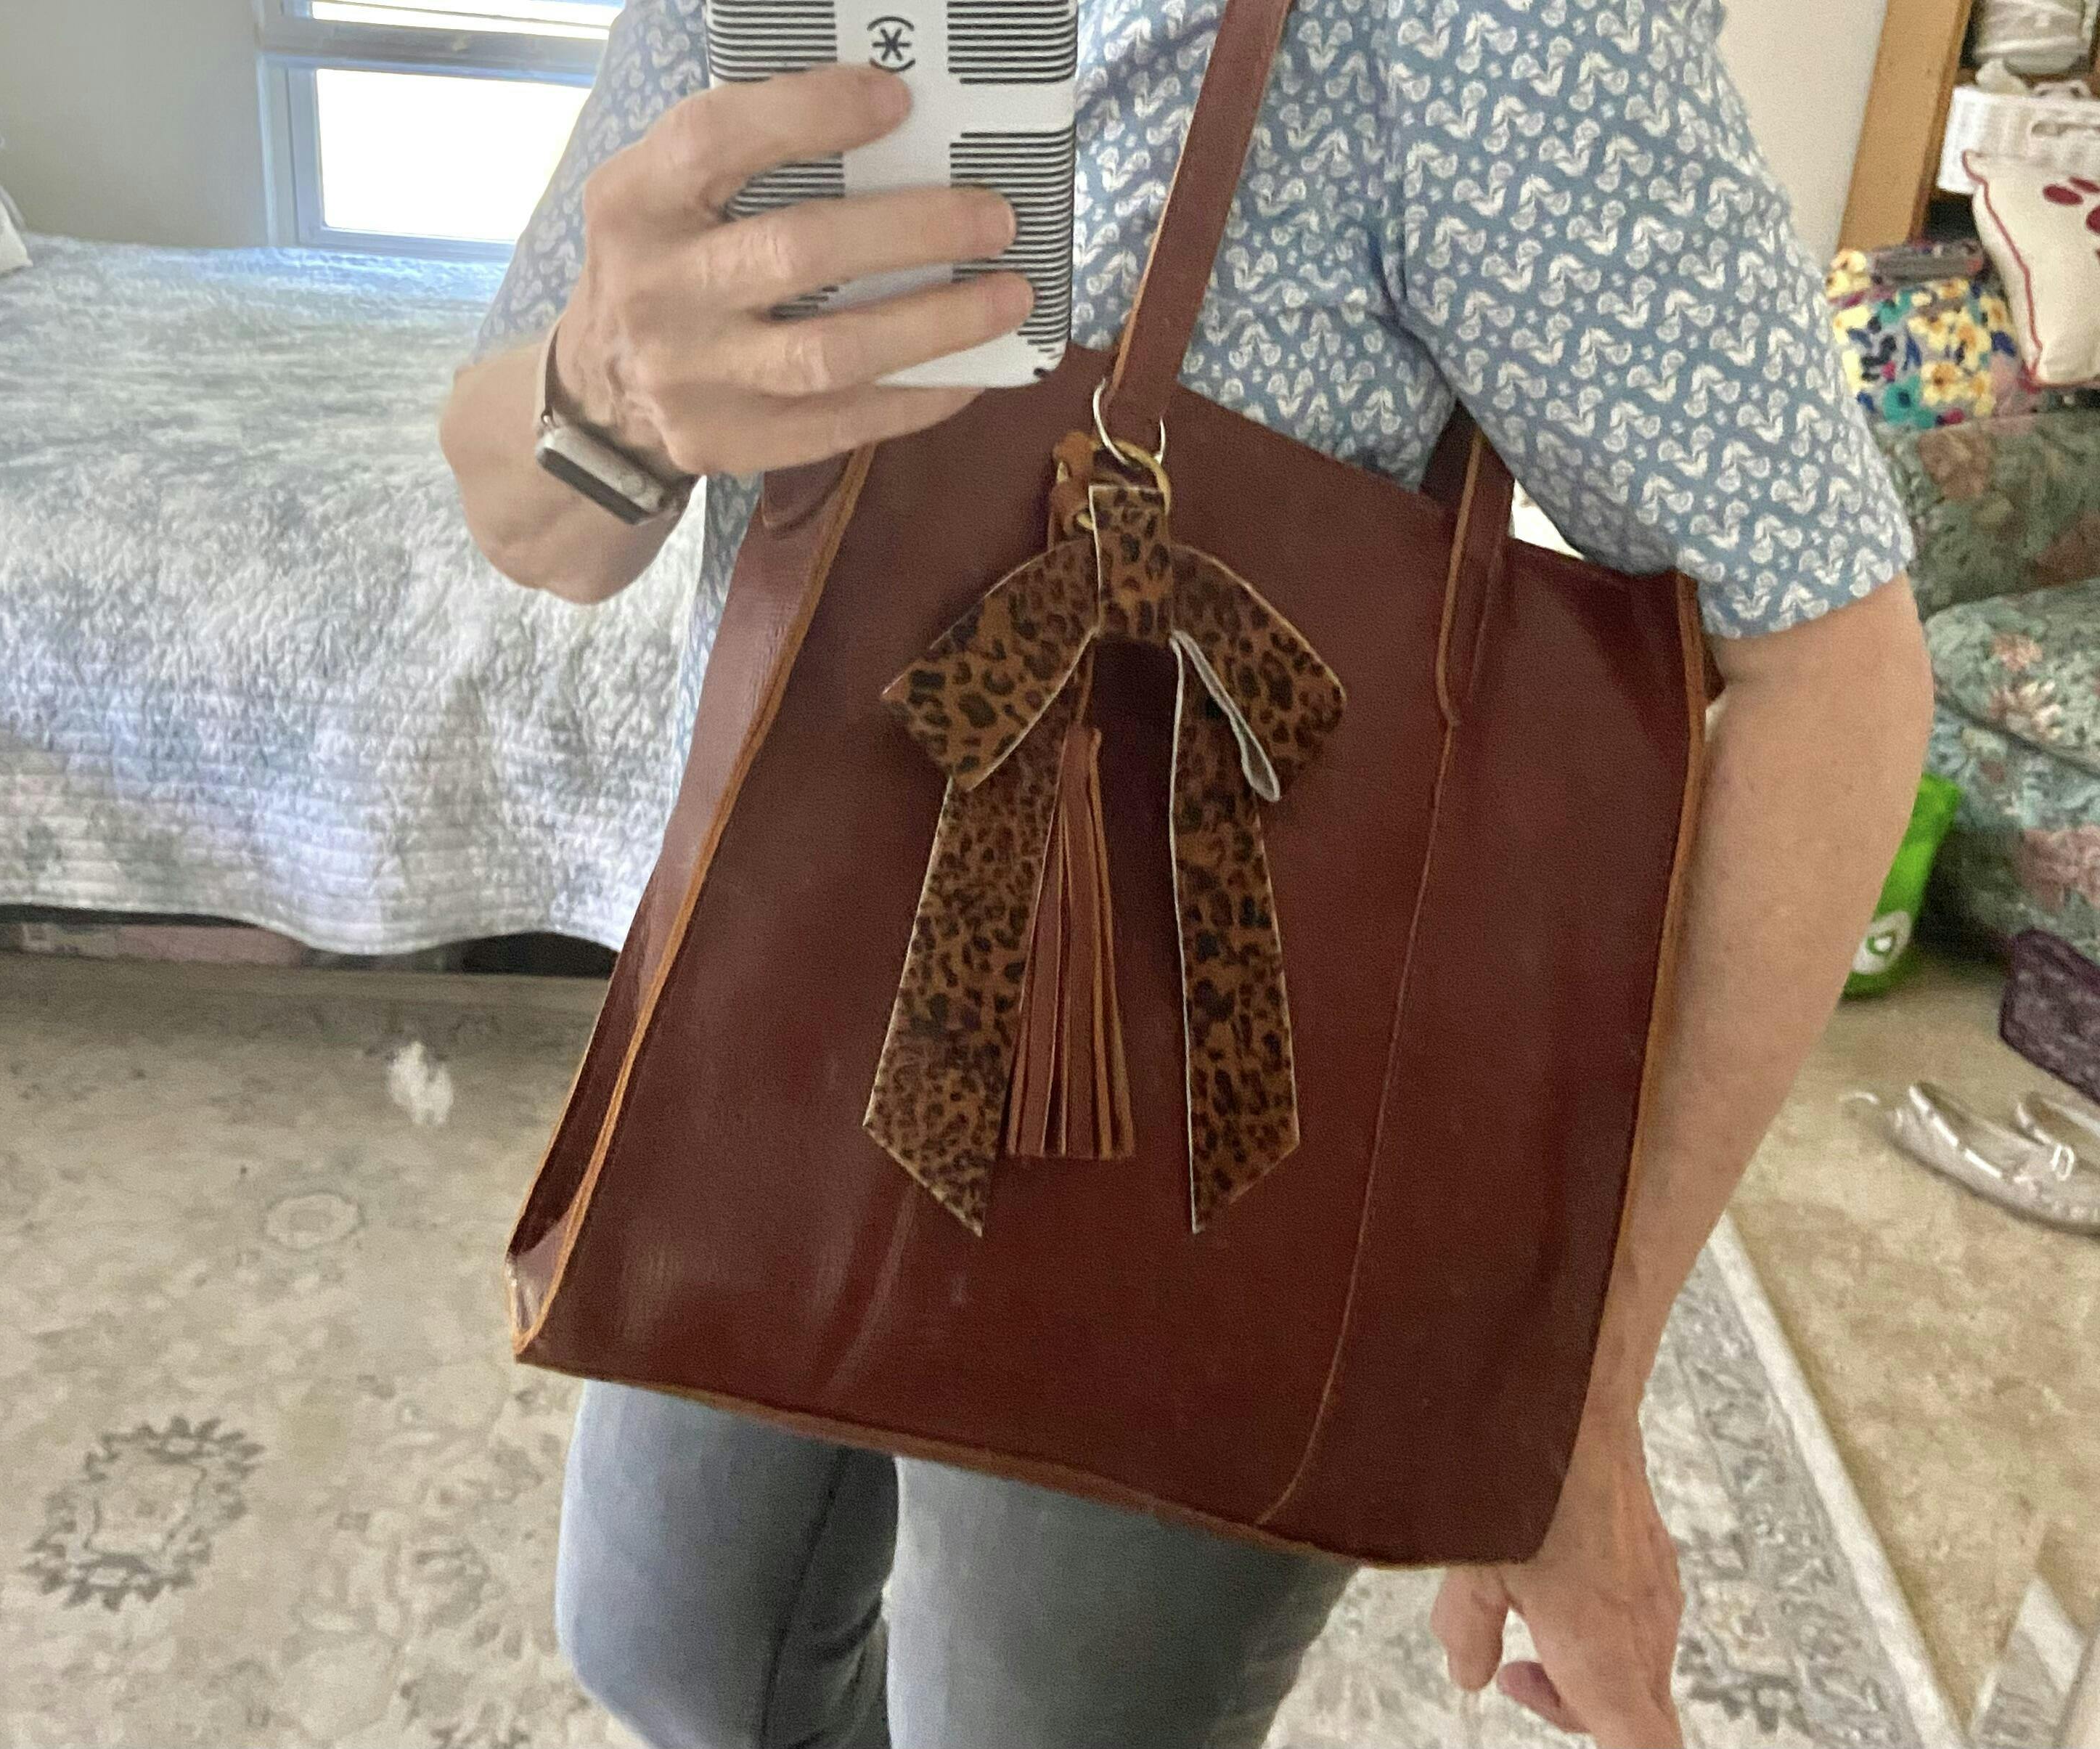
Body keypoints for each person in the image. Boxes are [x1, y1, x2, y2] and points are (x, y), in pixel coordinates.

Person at [439, 1, 1935, 1742]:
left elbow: (1834, 666)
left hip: (1190, 1117)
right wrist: (606, 388)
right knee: (669, 1644)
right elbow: (533, 520)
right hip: (774, 978)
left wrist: (1570, 1378)